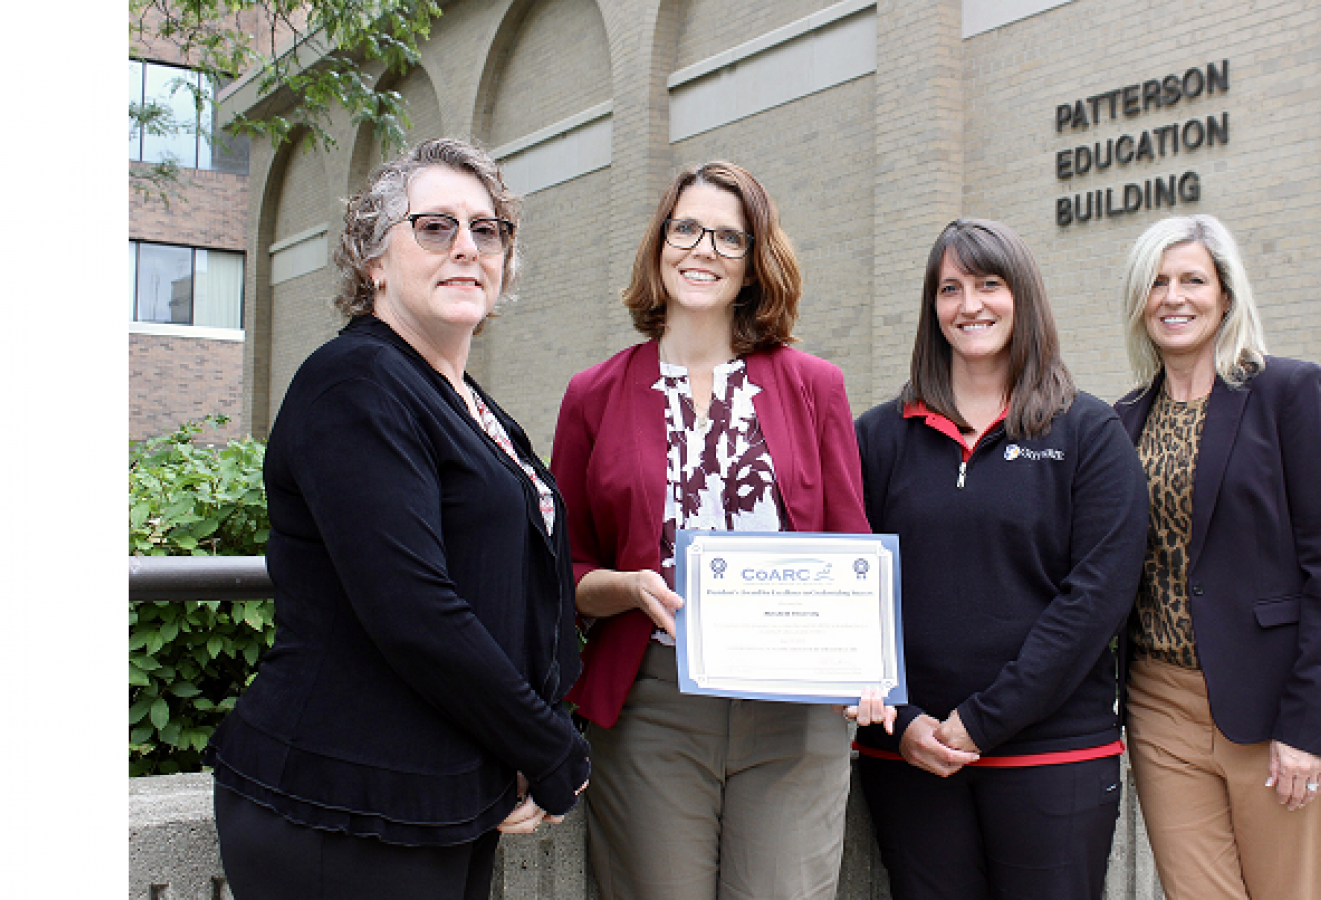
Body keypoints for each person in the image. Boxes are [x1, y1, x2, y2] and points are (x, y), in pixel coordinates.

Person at [203, 138, 590, 900]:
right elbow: (414, 609)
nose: (467, 248)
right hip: (340, 806)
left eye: (488, 230)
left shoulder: (466, 401)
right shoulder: (354, 383)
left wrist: (526, 732)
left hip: (437, 798)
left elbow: (512, 581)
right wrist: (549, 748)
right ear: (372, 260)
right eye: (435, 227)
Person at [549, 161, 874, 900]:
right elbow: (562, 570)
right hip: (653, 706)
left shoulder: (813, 385)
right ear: (660, 244)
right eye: (687, 228)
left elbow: (848, 548)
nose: (704, 249)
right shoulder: (593, 395)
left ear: (754, 262)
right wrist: (628, 588)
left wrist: (869, 669)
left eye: (730, 237)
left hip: (794, 712)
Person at [852, 218, 1148, 899]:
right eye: (950, 289)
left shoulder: (1088, 433)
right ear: (932, 309)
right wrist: (902, 721)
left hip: (1053, 754)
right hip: (913, 757)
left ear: (1024, 296)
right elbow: (849, 589)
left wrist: (982, 721)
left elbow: (1096, 597)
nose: (970, 305)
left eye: (989, 284)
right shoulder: (876, 437)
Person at [1113, 214, 1321, 900]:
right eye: (1158, 282)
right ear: (1140, 302)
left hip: (1274, 703)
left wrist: (1309, 725)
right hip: (1160, 702)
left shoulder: (1287, 392)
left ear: (1225, 295)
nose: (1174, 296)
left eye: (1193, 279)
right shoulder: (1122, 419)